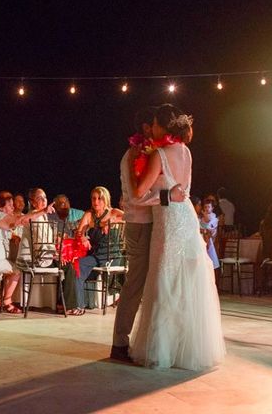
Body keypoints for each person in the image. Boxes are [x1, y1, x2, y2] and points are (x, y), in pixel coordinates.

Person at [129, 104, 225, 370]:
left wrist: (164, 195)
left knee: (165, 281)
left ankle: (163, 350)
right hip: (186, 218)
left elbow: (138, 194)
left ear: (161, 126)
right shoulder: (187, 151)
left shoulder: (160, 154)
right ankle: (185, 348)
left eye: (155, 123)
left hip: (170, 219)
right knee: (186, 282)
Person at [110, 106, 186, 361]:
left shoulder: (158, 152)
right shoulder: (135, 153)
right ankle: (120, 342)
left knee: (161, 283)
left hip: (159, 222)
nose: (154, 129)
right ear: (145, 128)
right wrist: (168, 195)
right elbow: (134, 197)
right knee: (136, 283)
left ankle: (163, 343)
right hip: (140, 224)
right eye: (151, 124)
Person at [0, 191, 54, 314]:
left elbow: (8, 231)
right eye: (10, 204)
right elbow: (19, 221)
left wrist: (14, 236)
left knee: (14, 267)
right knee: (17, 269)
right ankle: (6, 301)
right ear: (1, 206)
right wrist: (43, 211)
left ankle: (2, 300)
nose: (13, 207)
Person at [68, 186, 124, 316]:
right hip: (96, 255)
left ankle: (116, 294)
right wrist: (82, 238)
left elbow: (130, 217)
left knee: (107, 273)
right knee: (77, 265)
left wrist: (114, 220)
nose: (96, 202)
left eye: (99, 199)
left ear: (106, 199)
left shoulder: (113, 212)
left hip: (112, 256)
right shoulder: (89, 215)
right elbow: (79, 232)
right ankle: (80, 305)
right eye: (94, 199)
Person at [199, 200, 220, 270]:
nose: (207, 208)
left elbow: (208, 228)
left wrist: (205, 217)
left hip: (210, 241)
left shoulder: (215, 219)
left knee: (210, 262)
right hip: (202, 240)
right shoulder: (200, 218)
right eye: (205, 207)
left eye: (209, 207)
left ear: (212, 208)